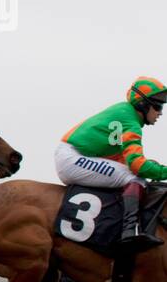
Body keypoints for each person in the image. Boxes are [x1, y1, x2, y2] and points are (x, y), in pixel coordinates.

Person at [57, 76, 167, 252]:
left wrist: (153, 169)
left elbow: (125, 159)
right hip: (72, 158)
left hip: (75, 156)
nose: (160, 112)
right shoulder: (130, 121)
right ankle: (130, 231)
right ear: (142, 105)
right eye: (158, 106)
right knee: (133, 178)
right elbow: (137, 166)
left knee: (134, 175)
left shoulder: (124, 113)